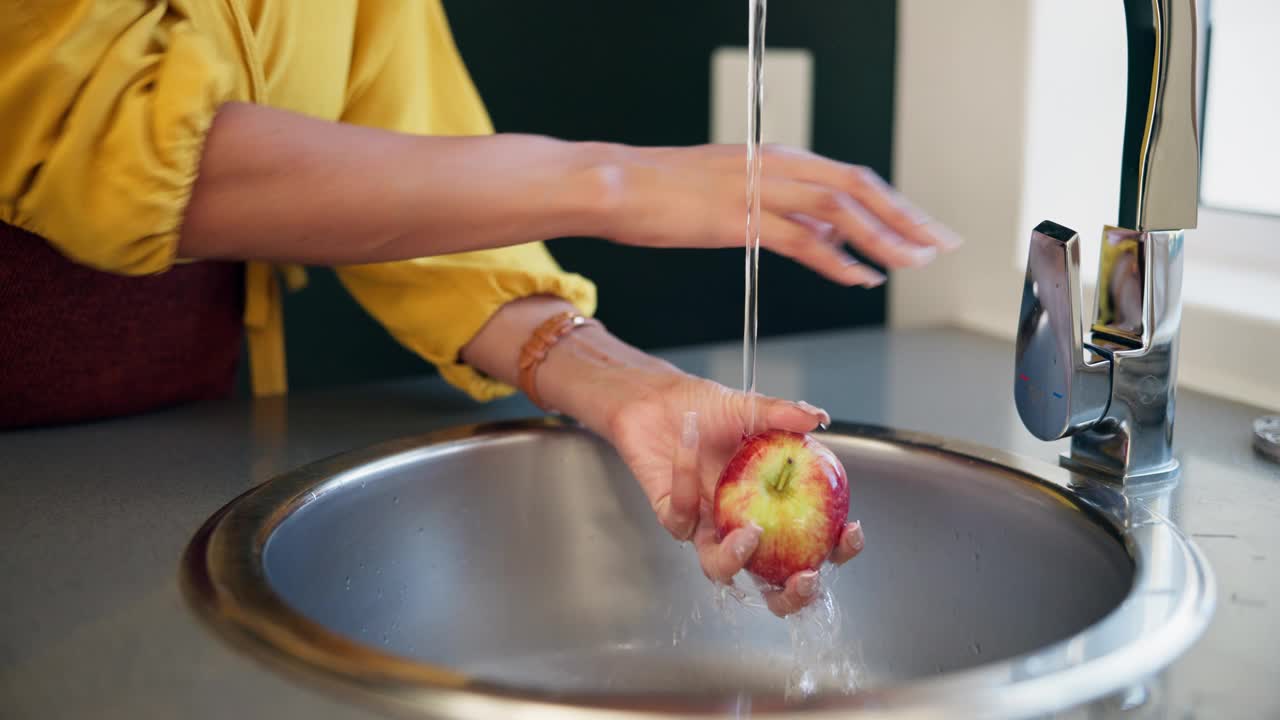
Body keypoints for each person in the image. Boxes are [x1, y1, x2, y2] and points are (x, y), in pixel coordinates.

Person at [0, 2, 959, 615]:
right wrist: (610, 181)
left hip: (161, 451)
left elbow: (408, 179)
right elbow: (112, 145)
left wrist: (635, 389)